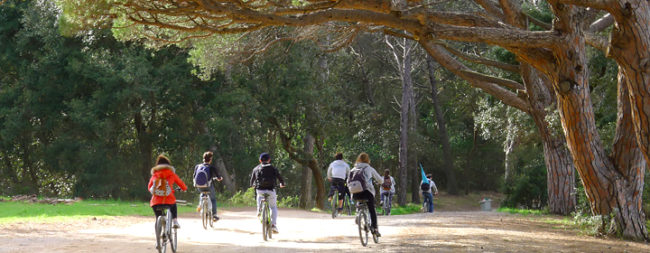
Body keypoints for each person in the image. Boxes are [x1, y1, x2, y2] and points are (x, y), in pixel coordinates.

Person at [348, 152, 383, 236]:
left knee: (359, 202)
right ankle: (375, 229)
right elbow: (380, 180)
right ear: (368, 160)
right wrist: (380, 182)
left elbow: (348, 181)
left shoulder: (353, 169)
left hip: (355, 194)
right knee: (372, 210)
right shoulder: (369, 168)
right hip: (367, 193)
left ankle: (358, 214)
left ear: (358, 159)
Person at [148, 154, 188, 229]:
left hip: (156, 202)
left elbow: (149, 187)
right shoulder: (172, 174)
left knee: (158, 217)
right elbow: (181, 183)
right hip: (169, 200)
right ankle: (175, 221)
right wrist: (184, 188)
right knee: (173, 205)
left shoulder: (155, 175)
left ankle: (159, 234)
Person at [250, 152, 286, 233]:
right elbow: (280, 178)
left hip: (260, 190)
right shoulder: (273, 168)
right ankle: (273, 225)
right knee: (273, 207)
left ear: (260, 160)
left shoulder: (256, 168)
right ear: (269, 160)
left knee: (259, 196)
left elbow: (252, 180)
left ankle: (259, 210)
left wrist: (252, 185)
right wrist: (282, 184)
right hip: (270, 190)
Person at [193, 151, 223, 221]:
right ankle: (214, 215)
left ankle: (200, 205)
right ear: (210, 159)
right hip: (208, 186)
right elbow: (218, 176)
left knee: (202, 193)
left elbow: (194, 176)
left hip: (198, 186)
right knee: (213, 199)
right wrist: (220, 178)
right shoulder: (211, 167)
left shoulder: (197, 166)